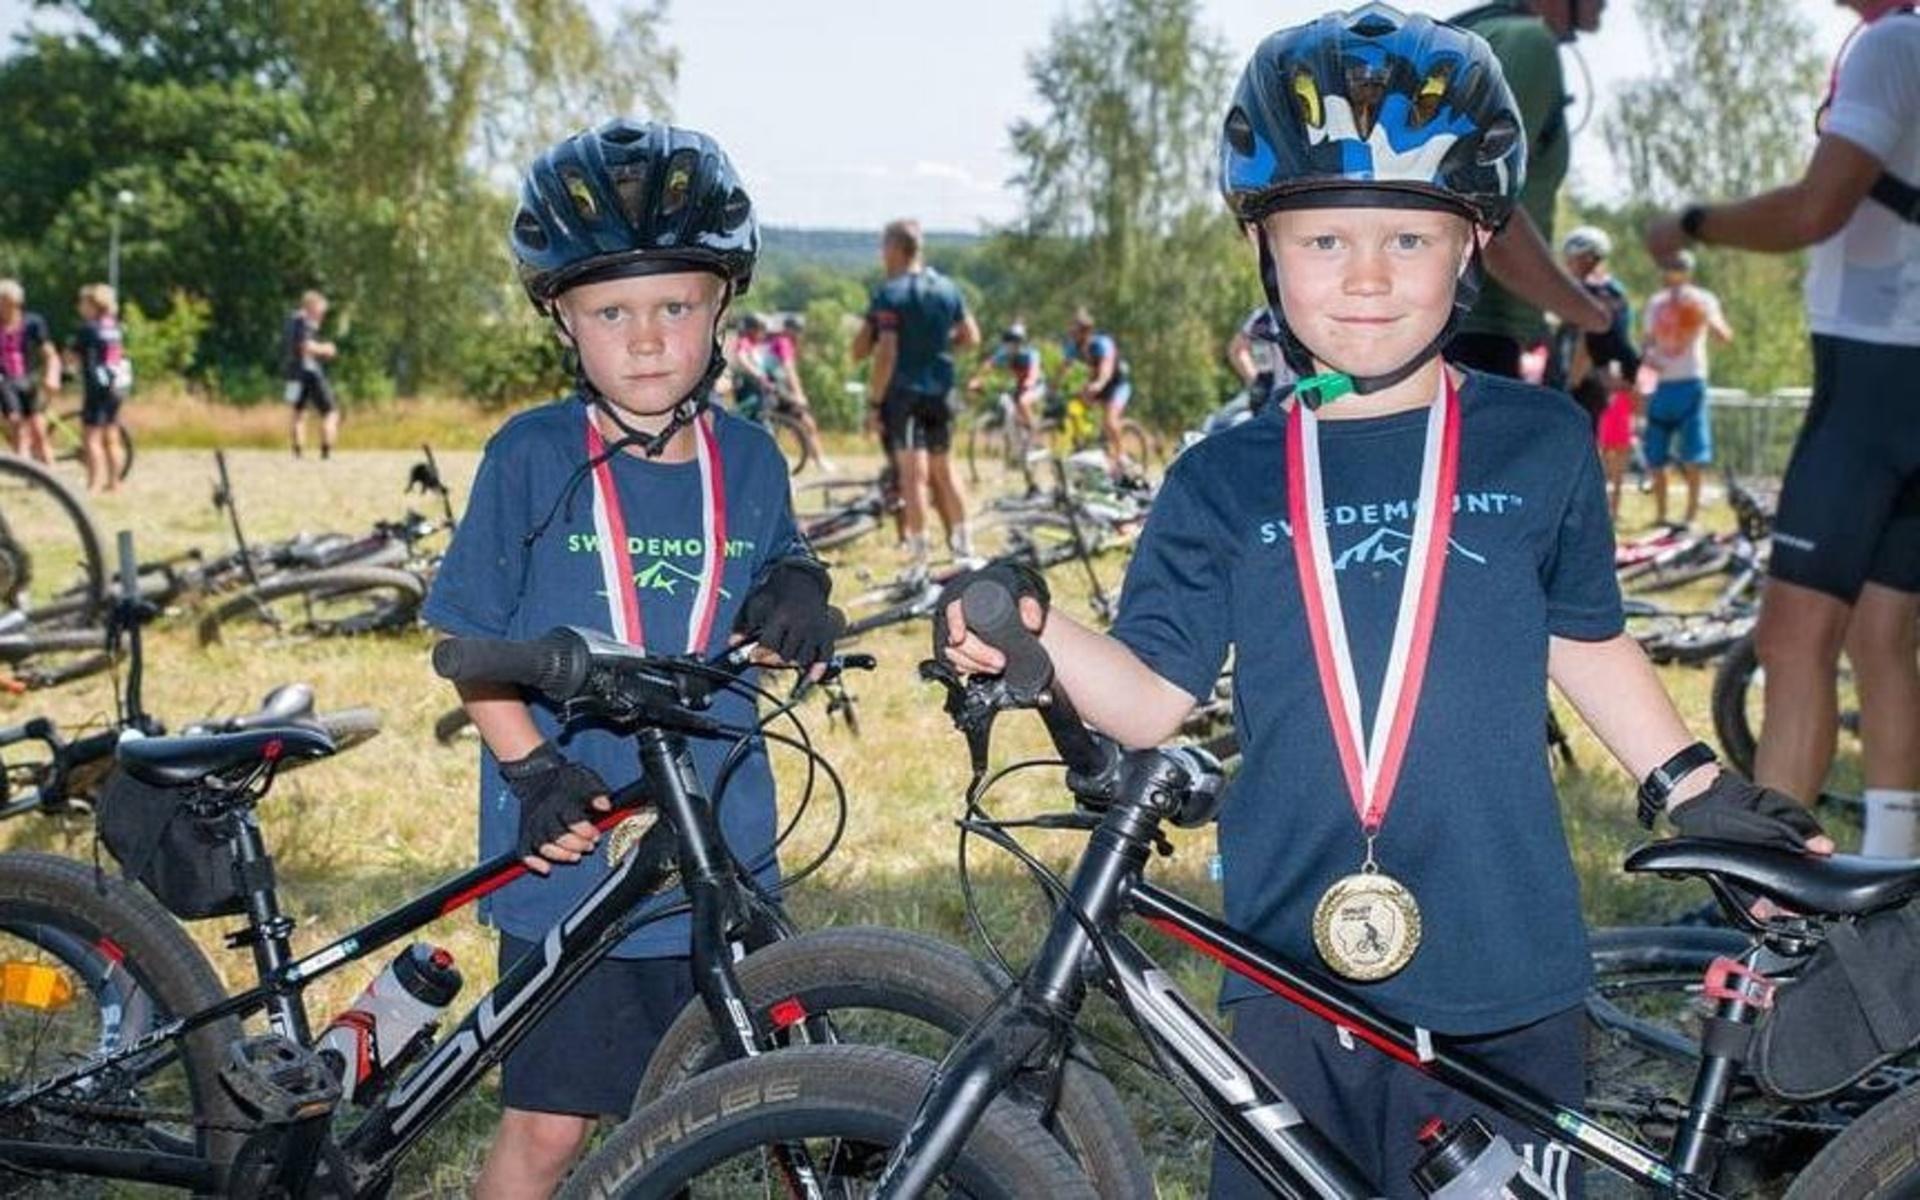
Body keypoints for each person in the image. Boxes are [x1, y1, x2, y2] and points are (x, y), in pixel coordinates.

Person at [938, 9, 1829, 1198]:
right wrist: (1032, 631)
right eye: (1323, 240)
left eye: (1408, 238)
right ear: (1266, 248)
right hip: (1288, 973)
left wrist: (1697, 791)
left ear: (1472, 247)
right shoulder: (1225, 475)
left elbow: (1584, 637)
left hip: (1503, 977)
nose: (1366, 277)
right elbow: (1152, 698)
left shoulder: (1538, 445)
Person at [423, 118, 842, 1199]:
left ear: (721, 307)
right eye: (613, 310)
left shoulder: (749, 457)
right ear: (562, 316)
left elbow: (774, 567)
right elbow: (467, 642)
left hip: (722, 851)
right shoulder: (528, 455)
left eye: (676, 306)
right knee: (551, 1129)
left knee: (747, 1113)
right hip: (578, 858)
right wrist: (529, 768)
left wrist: (798, 588)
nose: (648, 338)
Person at [1644, 0, 1920, 856]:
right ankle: (1891, 875)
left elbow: (1813, 210)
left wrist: (1690, 224)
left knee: (1793, 639)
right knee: (1885, 640)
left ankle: (1770, 904)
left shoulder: (1892, 42)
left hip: (1874, 375)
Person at [1446, 0, 1614, 377]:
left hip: (1448, 333)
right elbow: (1483, 206)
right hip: (1476, 336)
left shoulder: (1482, 36)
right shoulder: (1529, 43)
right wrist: (1593, 316)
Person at [851, 218, 979, 565]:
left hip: (905, 394)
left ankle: (920, 558)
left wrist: (876, 401)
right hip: (940, 391)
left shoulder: (890, 293)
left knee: (913, 476)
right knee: (945, 469)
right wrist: (935, 343)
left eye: (883, 247)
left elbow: (881, 351)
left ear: (894, 248)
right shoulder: (947, 288)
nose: (882, 254)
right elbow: (971, 336)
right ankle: (964, 550)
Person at [1552, 226, 1641, 517]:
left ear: (1589, 257)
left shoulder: (1594, 289)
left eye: (1573, 258)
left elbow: (1588, 337)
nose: (1569, 265)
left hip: (1584, 381)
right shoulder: (1613, 290)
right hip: (1592, 380)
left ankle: (1579, 511)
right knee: (1583, 446)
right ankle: (1580, 508)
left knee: (1577, 448)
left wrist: (1575, 375)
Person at [1638, 250, 1731, 527]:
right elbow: (1646, 342)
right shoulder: (1656, 303)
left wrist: (1708, 319)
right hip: (1661, 384)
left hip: (1691, 381)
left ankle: (1690, 515)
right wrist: (1646, 370)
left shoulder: (1703, 299)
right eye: (1669, 269)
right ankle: (1662, 515)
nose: (1673, 275)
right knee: (1655, 455)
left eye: (1679, 269)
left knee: (1693, 454)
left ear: (1688, 272)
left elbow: (1724, 336)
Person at [1060, 308, 1135, 479]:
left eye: (1075, 331)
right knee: (1075, 406)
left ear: (1085, 332)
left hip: (1117, 384)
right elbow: (1064, 368)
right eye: (1072, 331)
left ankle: (1122, 455)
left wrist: (1098, 384)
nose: (1072, 334)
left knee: (1110, 420)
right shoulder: (1074, 346)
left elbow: (1106, 368)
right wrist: (1054, 387)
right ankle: (1091, 441)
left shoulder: (1102, 343)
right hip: (1097, 384)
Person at [68, 283, 129, 494]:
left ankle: (94, 483)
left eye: (83, 303)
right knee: (112, 437)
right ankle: (115, 482)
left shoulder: (89, 329)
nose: (80, 307)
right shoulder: (114, 327)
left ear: (93, 304)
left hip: (96, 388)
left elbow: (73, 355)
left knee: (91, 438)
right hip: (117, 386)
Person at [766, 313, 834, 471]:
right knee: (807, 423)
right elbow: (790, 371)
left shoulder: (777, 341)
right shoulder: (784, 342)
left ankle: (812, 458)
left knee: (795, 426)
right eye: (797, 330)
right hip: (779, 391)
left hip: (772, 391)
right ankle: (820, 460)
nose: (799, 334)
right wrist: (799, 394)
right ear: (789, 330)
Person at [0, 279, 57, 464]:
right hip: (5, 382)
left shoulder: (33, 322)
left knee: (39, 429)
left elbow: (50, 354)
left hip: (29, 379)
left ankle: (51, 473)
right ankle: (27, 470)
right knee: (17, 426)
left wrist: (52, 375)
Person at [281, 290, 340, 459]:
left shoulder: (290, 321)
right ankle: (326, 450)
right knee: (331, 412)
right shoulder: (304, 321)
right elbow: (305, 346)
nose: (322, 316)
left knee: (298, 412)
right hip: (310, 370)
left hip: (292, 372)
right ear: (311, 306)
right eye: (320, 311)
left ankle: (298, 452)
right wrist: (327, 349)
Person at [965, 321, 1047, 435]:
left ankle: (1035, 436)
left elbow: (1034, 370)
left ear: (1020, 342)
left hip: (1037, 386)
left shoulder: (1032, 353)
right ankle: (1021, 438)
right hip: (1020, 386)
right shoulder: (1004, 353)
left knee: (1023, 402)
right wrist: (977, 379)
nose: (1009, 344)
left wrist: (1030, 381)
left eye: (1013, 341)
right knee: (1011, 409)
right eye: (1007, 341)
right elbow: (988, 366)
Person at [1226, 304, 1300, 410]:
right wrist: (1254, 379)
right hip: (1288, 395)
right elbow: (1236, 350)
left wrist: (1255, 380)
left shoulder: (1260, 318)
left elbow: (1236, 350)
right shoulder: (1260, 318)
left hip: (1270, 394)